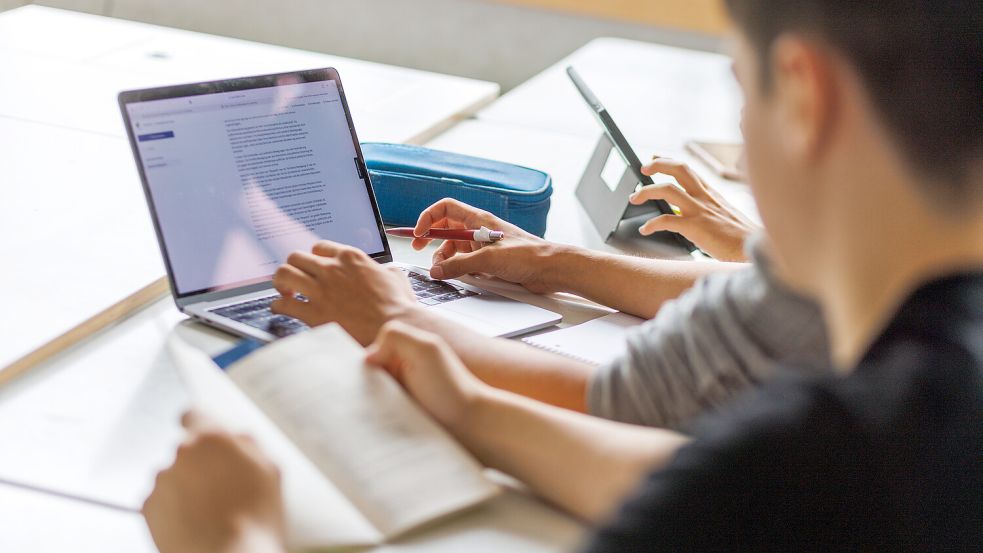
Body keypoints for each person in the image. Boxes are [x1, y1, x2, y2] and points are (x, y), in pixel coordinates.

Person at [146, 0, 983, 549]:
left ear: (803, 95)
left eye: (741, 89)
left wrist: (233, 534)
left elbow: (736, 488)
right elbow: (686, 474)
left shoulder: (839, 457)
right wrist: (472, 408)